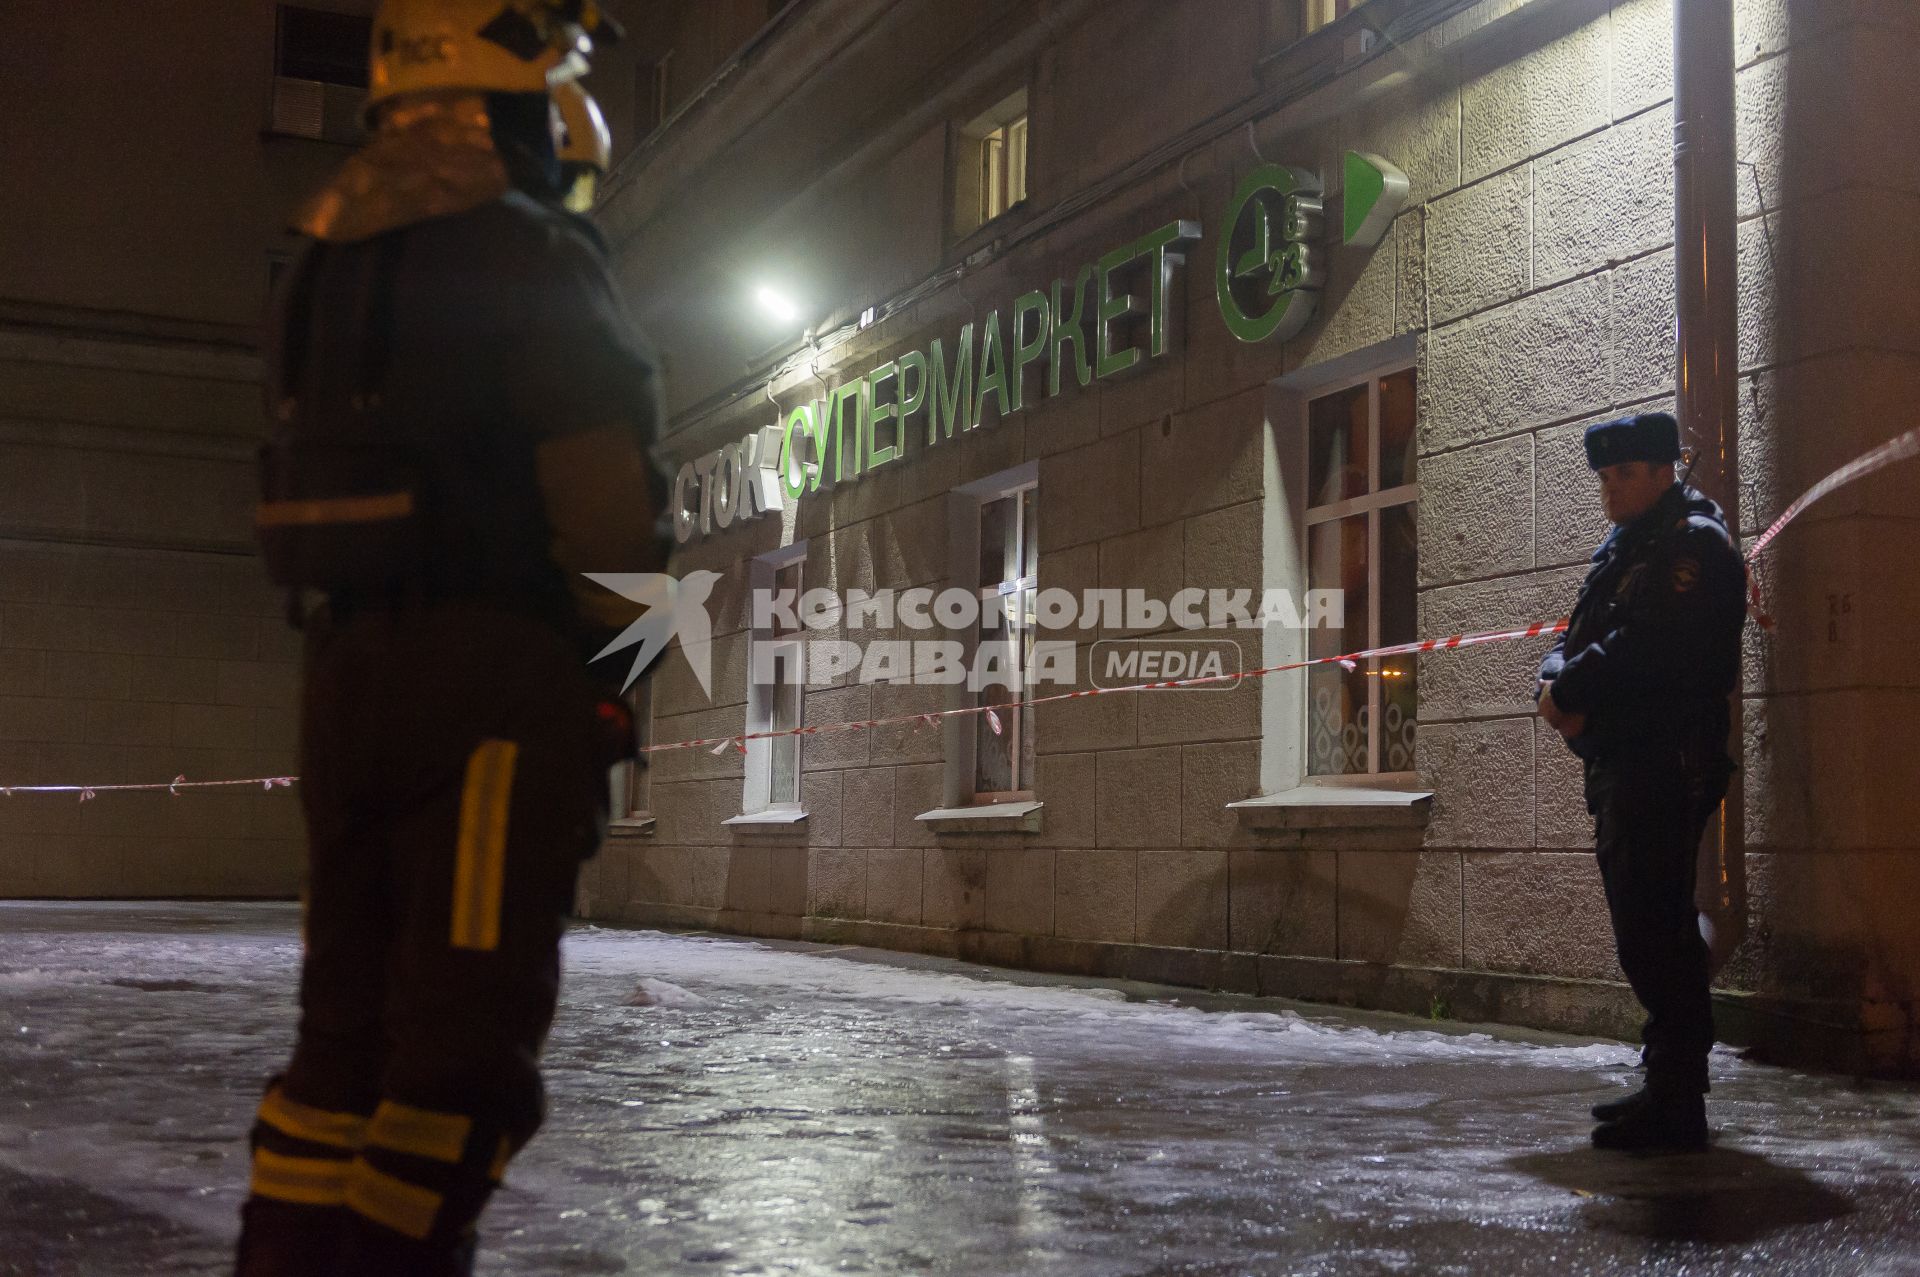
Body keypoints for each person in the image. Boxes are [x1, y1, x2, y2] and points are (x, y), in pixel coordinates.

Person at [237, 1, 672, 1272]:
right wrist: (616, 678)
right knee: (459, 1063)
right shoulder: (528, 249)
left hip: (344, 679)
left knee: (342, 1051)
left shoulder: (319, 255)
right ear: (519, 95)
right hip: (494, 686)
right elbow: (605, 501)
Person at [1535, 411, 1747, 1153]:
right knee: (1646, 924)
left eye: (1625, 474)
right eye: (1605, 477)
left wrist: (1570, 690)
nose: (1611, 489)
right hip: (1627, 757)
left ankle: (1680, 1099)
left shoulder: (1693, 544)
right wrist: (1556, 677)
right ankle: (1666, 1085)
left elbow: (1653, 643)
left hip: (1666, 758)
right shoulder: (1628, 545)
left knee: (1656, 929)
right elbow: (1579, 631)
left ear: (1664, 472)